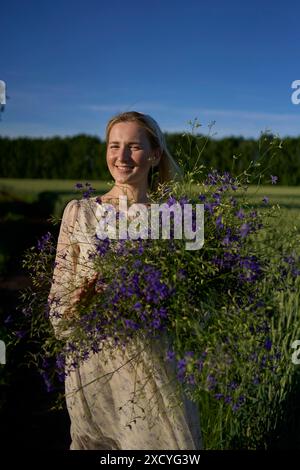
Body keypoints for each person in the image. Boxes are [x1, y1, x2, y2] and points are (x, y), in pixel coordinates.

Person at [48, 111, 202, 450]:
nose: (121, 156)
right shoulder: (80, 213)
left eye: (133, 147)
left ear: (155, 154)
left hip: (154, 369)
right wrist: (77, 304)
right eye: (114, 146)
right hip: (94, 368)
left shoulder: (181, 218)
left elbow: (199, 307)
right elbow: (57, 303)